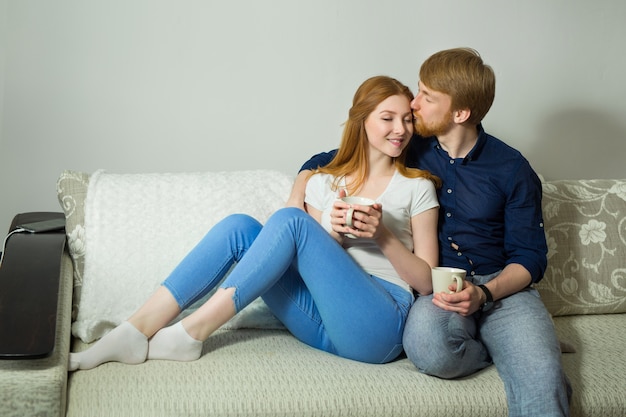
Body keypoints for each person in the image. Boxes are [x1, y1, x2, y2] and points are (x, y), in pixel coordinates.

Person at [68, 75, 440, 371]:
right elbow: (300, 263)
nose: (401, 129)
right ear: (362, 122)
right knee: (239, 227)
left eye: (407, 119)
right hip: (322, 322)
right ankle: (134, 330)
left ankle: (192, 332)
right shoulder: (324, 183)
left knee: (291, 221)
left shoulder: (416, 187)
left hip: (378, 327)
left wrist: (384, 236)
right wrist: (334, 233)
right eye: (387, 118)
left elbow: (427, 284)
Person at [290, 48, 572, 416]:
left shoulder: (513, 168)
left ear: (460, 113)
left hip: (502, 289)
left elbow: (530, 258)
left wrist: (484, 293)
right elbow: (325, 160)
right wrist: (297, 198)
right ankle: (493, 348)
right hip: (438, 288)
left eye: (426, 96)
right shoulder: (408, 144)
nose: (414, 103)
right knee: (431, 351)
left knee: (541, 377)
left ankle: (525, 345)